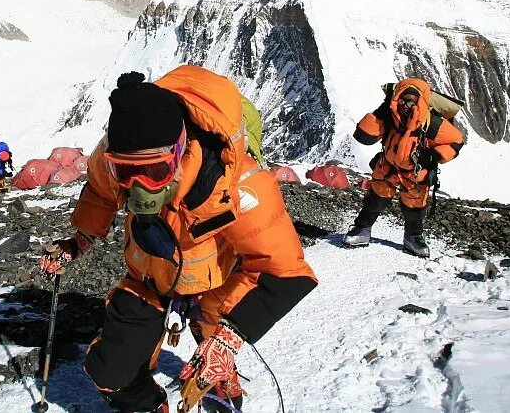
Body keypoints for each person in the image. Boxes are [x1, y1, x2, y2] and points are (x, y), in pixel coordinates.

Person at [40, 67, 317, 413]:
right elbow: (99, 191)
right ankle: (149, 405)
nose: (138, 187)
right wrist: (81, 239)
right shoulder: (110, 156)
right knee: (112, 371)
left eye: (154, 170)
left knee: (214, 346)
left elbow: (290, 272)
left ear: (179, 150)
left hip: (218, 281)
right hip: (149, 276)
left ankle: (219, 370)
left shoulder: (239, 187)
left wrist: (230, 337)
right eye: (125, 172)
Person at [341, 78, 465, 258]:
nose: (406, 106)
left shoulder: (432, 124)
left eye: (411, 102)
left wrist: (434, 156)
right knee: (376, 198)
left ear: (420, 102)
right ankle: (361, 230)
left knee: (414, 206)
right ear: (396, 98)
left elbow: (456, 141)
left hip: (416, 172)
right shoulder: (389, 115)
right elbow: (363, 136)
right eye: (403, 100)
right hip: (387, 167)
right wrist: (380, 113)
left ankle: (413, 237)